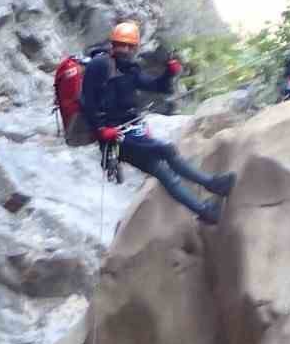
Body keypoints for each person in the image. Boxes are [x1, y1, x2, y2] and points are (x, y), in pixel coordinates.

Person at [81, 21, 237, 225]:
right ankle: (212, 185)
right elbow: (87, 101)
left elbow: (157, 86)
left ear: (135, 47)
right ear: (113, 44)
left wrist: (169, 73)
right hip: (115, 138)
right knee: (167, 150)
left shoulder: (129, 69)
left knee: (163, 171)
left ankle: (205, 210)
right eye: (121, 44)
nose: (125, 49)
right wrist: (101, 130)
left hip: (129, 132)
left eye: (129, 46)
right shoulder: (99, 65)